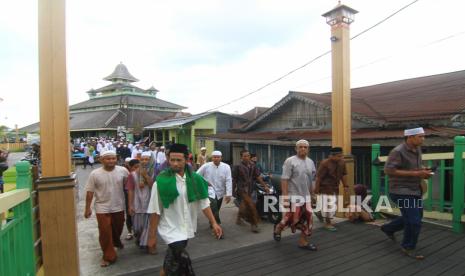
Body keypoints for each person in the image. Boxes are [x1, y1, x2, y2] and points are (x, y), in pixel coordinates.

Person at [147, 143, 222, 276]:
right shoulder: (160, 182)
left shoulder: (196, 180)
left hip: (187, 227)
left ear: (186, 160)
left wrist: (214, 223)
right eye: (172, 160)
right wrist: (152, 236)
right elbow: (155, 211)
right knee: (182, 259)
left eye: (179, 160)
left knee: (172, 260)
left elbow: (204, 204)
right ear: (168, 160)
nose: (175, 164)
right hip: (170, 229)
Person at [381, 127, 431, 260]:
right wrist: (416, 173)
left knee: (414, 217)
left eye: (423, 136)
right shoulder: (398, 151)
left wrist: (423, 171)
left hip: (415, 189)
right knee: (414, 221)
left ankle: (388, 228)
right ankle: (408, 246)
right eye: (420, 136)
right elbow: (388, 170)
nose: (423, 139)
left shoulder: (417, 149)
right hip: (401, 191)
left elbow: (414, 168)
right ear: (410, 137)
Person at [84, 150, 129, 267]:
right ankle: (108, 256)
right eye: (108, 159)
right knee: (104, 232)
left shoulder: (123, 171)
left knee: (118, 228)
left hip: (118, 206)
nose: (111, 161)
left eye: (113, 158)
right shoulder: (95, 174)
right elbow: (90, 192)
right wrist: (87, 208)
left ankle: (116, 242)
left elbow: (129, 186)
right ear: (101, 160)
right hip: (102, 207)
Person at [273, 140, 317, 251]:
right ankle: (278, 228)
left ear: (308, 149)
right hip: (294, 196)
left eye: (305, 147)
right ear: (296, 149)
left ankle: (303, 242)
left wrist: (312, 195)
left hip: (306, 196)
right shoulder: (290, 161)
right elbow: (284, 179)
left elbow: (311, 180)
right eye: (300, 147)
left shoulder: (311, 162)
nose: (303, 149)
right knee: (291, 218)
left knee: (309, 217)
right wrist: (285, 197)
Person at [232, 149, 269, 233]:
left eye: (248, 156)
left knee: (243, 205)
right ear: (241, 157)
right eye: (244, 156)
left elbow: (258, 176)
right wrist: (232, 191)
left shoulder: (253, 165)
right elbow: (234, 179)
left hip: (251, 189)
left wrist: (265, 186)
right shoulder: (237, 166)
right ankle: (254, 224)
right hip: (241, 190)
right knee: (251, 207)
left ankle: (238, 219)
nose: (246, 157)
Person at [197, 150, 232, 238]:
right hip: (209, 191)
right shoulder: (206, 166)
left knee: (216, 208)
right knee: (213, 206)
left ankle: (212, 222)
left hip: (220, 192)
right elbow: (196, 175)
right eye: (214, 157)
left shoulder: (226, 167)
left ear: (221, 158)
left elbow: (228, 180)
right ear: (212, 158)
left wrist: (228, 194)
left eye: (218, 157)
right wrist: (204, 182)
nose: (216, 159)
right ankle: (218, 227)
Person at [314, 147, 348, 231]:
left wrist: (345, 186)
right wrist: (316, 190)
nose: (340, 158)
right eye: (338, 156)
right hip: (325, 187)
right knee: (329, 205)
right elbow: (318, 177)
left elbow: (344, 175)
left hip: (335, 187)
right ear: (331, 156)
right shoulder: (325, 163)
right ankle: (328, 223)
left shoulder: (342, 162)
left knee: (333, 205)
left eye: (341, 156)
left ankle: (319, 213)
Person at [127, 152, 155, 253]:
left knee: (148, 226)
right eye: (142, 159)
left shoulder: (153, 173)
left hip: (149, 203)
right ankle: (139, 238)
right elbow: (130, 190)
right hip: (137, 202)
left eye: (147, 159)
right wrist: (130, 205)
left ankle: (148, 245)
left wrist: (145, 176)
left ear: (150, 161)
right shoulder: (132, 175)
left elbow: (153, 186)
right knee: (138, 227)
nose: (144, 161)